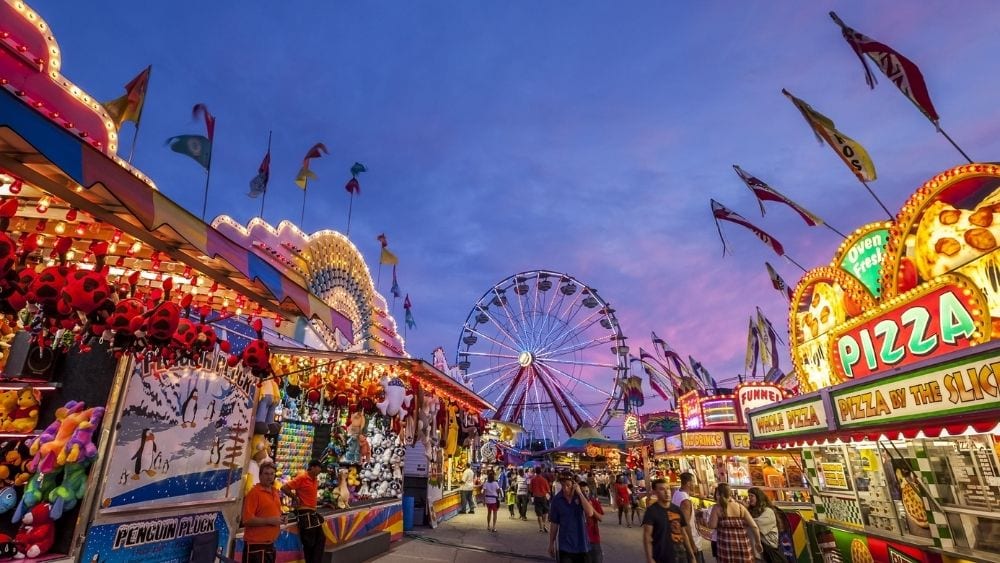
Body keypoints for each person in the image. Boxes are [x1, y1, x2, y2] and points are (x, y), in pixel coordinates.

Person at [281, 460, 325, 563]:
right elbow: (284, 488)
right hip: (305, 513)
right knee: (310, 543)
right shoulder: (302, 478)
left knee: (320, 540)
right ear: (312, 467)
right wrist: (294, 497)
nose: (320, 470)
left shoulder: (315, 480)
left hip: (313, 513)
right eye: (318, 467)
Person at [643, 478, 696, 563]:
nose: (666, 492)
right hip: (661, 557)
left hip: (680, 555)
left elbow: (683, 533)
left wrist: (691, 556)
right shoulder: (651, 512)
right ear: (655, 492)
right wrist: (650, 558)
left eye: (667, 489)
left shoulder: (677, 510)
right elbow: (647, 537)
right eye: (662, 489)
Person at [548, 473, 597, 563]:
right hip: (565, 546)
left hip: (582, 545)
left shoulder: (580, 496)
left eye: (568, 485)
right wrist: (551, 543)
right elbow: (554, 523)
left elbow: (590, 513)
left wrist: (579, 493)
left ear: (574, 484)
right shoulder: (557, 500)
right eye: (563, 485)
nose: (565, 488)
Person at [707, 484, 761, 563]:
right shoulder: (740, 507)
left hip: (726, 546)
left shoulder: (717, 508)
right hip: (743, 545)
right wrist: (758, 542)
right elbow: (754, 526)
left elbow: (712, 525)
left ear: (718, 494)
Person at [241, 461, 282, 563]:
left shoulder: (275, 492)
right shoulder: (254, 493)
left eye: (272, 474)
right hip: (256, 547)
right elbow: (247, 520)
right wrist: (269, 521)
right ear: (260, 476)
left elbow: (273, 513)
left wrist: (281, 519)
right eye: (266, 474)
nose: (269, 477)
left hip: (270, 545)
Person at [672, 472, 705, 563]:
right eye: (693, 482)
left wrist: (695, 512)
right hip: (691, 541)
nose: (694, 484)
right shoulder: (685, 500)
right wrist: (692, 544)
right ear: (688, 483)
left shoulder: (677, 493)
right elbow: (685, 524)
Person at [747, 487, 784, 563]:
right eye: (749, 496)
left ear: (759, 497)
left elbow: (756, 524)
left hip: (768, 547)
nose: (749, 498)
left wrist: (744, 515)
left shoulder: (768, 511)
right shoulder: (752, 511)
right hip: (758, 547)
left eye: (752, 496)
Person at [581, 480, 605, 563]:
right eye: (582, 492)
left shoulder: (594, 502)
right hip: (581, 540)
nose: (585, 494)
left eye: (586, 491)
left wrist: (591, 507)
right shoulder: (575, 504)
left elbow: (600, 518)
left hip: (593, 539)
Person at [530, 467, 552, 533]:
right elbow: (548, 490)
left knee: (539, 513)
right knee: (545, 511)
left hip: (536, 497)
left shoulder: (533, 479)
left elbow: (530, 489)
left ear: (535, 472)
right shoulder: (544, 480)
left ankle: (541, 528)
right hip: (543, 497)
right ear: (541, 472)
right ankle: (544, 524)